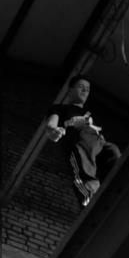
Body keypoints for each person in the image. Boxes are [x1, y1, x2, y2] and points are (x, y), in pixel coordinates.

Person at [46, 75, 121, 207]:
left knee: (113, 152)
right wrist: (54, 132)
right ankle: (88, 192)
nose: (85, 90)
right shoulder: (59, 108)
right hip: (77, 142)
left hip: (97, 142)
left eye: (87, 89)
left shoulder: (89, 113)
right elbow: (51, 126)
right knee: (84, 167)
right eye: (81, 87)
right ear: (70, 91)